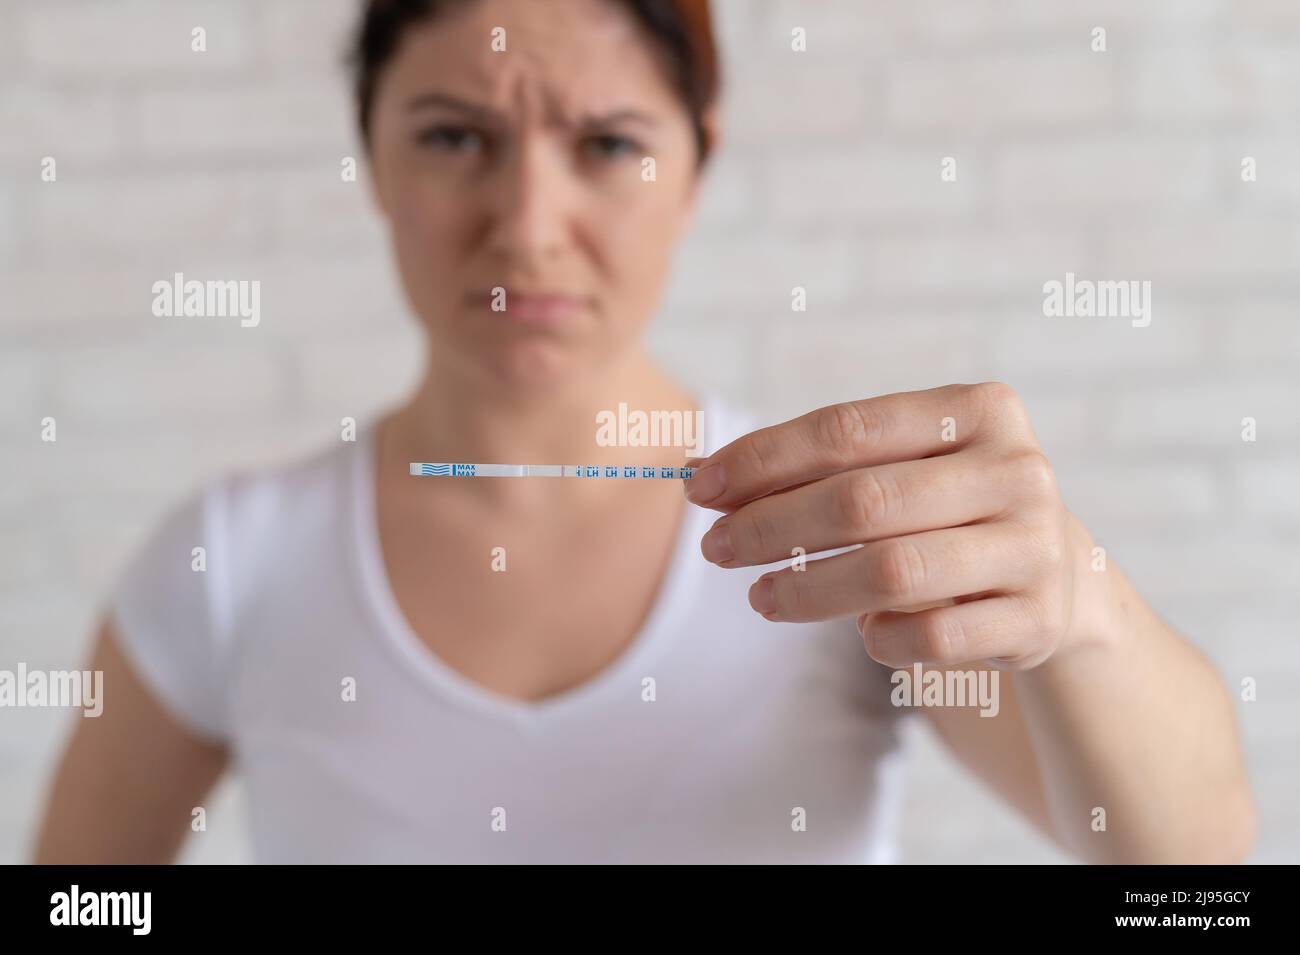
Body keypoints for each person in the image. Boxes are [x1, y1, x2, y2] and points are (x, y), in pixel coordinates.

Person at [35, 0, 1254, 864]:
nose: (527, 226)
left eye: (608, 145)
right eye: (456, 137)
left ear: (694, 168)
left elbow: (1187, 875)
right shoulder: (231, 561)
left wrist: (1080, 603)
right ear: (373, 160)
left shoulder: (837, 545)